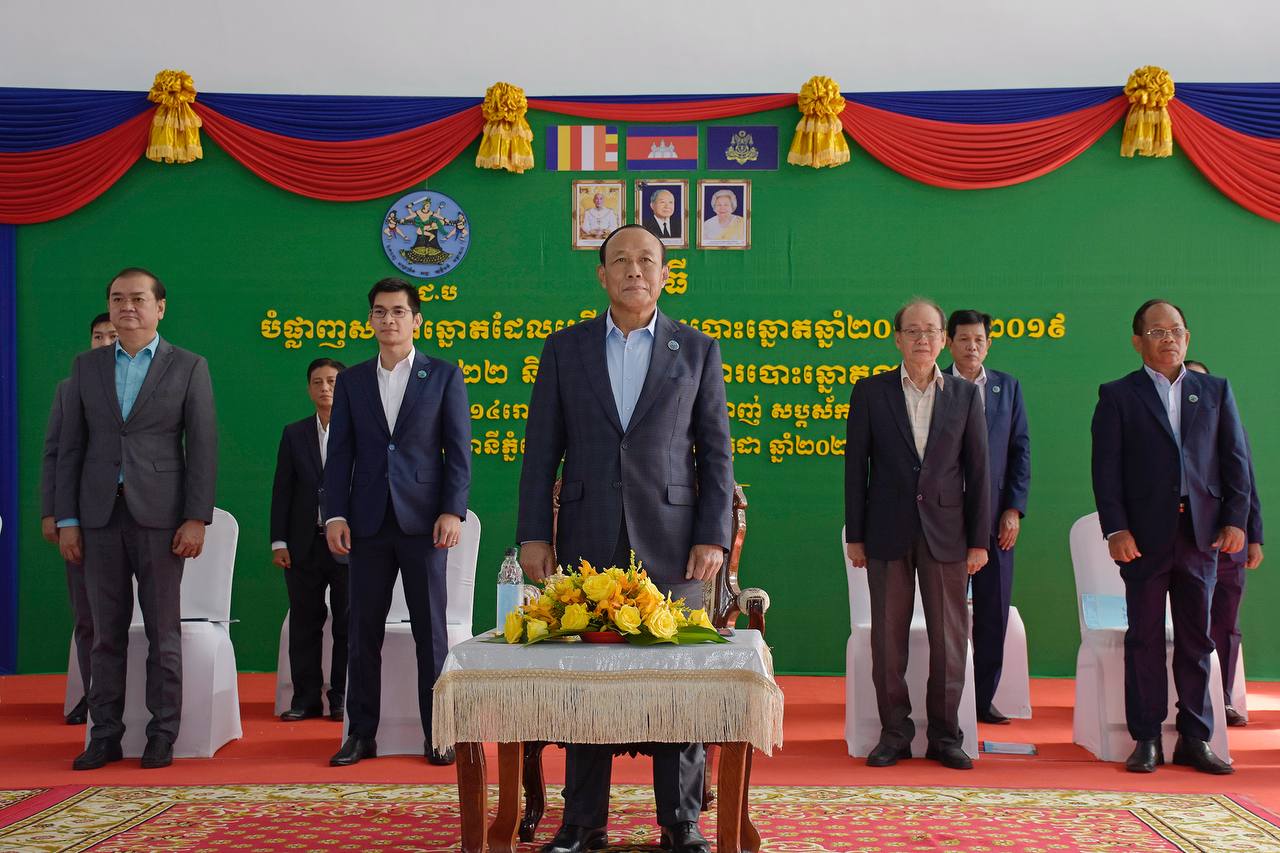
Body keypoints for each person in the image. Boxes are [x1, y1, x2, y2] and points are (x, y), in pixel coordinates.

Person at [517, 224, 733, 853]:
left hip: (674, 540)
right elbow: (541, 451)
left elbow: (716, 453)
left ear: (665, 273)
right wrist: (534, 533)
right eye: (620, 260)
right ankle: (582, 822)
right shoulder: (565, 349)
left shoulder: (697, 349)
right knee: (586, 682)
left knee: (677, 681)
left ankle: (681, 821)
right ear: (602, 275)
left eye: (646, 260)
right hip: (588, 533)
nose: (634, 270)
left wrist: (712, 534)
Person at [55, 268, 218, 770]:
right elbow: (70, 447)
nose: (127, 307)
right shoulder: (86, 366)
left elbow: (202, 445)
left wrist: (196, 518)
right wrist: (67, 518)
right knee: (104, 634)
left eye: (138, 299)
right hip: (98, 517)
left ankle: (162, 734)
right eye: (117, 298)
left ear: (159, 308)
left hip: (162, 519)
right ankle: (104, 735)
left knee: (162, 633)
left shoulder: (188, 365)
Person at [1091, 300, 1250, 775]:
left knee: (1197, 638)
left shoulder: (1215, 390)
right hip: (1142, 537)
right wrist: (1116, 528)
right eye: (1157, 332)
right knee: (1143, 637)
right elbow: (1106, 469)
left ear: (1187, 337)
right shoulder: (1118, 395)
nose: (1169, 339)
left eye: (1176, 331)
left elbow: (1235, 460)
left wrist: (1236, 520)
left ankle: (1195, 738)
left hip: (1201, 535)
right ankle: (1146, 739)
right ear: (1137, 341)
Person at [324, 278, 471, 767]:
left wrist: (452, 510)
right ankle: (360, 735)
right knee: (361, 632)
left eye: (399, 311)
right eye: (380, 312)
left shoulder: (443, 375)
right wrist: (335, 514)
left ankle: (439, 734)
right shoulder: (352, 381)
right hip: (365, 524)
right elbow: (339, 453)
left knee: (431, 634)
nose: (389, 319)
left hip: (425, 524)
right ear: (370, 319)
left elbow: (458, 451)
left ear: (417, 320)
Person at [845, 298, 990, 771]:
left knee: (950, 639)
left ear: (943, 339)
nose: (922, 339)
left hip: (948, 534)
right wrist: (856, 535)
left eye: (931, 331)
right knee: (887, 641)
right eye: (913, 331)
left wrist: (979, 541)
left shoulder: (965, 395)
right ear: (898, 339)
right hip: (886, 531)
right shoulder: (870, 392)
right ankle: (895, 734)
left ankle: (946, 737)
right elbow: (856, 468)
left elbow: (979, 472)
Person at [945, 309, 1031, 725]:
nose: (972, 347)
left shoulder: (1007, 387)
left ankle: (982, 699)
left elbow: (1020, 451)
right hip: (946, 517)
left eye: (979, 340)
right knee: (945, 613)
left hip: (997, 518)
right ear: (949, 343)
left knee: (993, 611)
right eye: (964, 339)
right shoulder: (936, 385)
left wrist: (1013, 509)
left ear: (989, 343)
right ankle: (948, 699)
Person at [41, 312, 117, 725]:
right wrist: (53, 511)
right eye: (97, 336)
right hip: (84, 519)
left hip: (141, 516)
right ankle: (95, 697)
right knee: (89, 615)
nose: (104, 342)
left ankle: (134, 700)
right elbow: (56, 453)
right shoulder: (70, 388)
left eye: (111, 336)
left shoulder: (147, 383)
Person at [1184, 359, 1263, 727]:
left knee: (1226, 623)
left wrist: (1253, 536)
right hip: (1186, 541)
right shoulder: (1170, 428)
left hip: (1229, 543)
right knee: (1190, 623)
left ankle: (1224, 697)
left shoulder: (1230, 425)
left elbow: (1247, 483)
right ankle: (1187, 701)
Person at [271, 357, 350, 723]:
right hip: (303, 544)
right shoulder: (294, 433)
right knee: (304, 623)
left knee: (348, 624)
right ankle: (305, 699)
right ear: (308, 389)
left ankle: (342, 698)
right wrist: (279, 541)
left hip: (348, 545)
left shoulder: (359, 431)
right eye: (317, 382)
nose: (325, 388)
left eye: (332, 381)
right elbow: (282, 490)